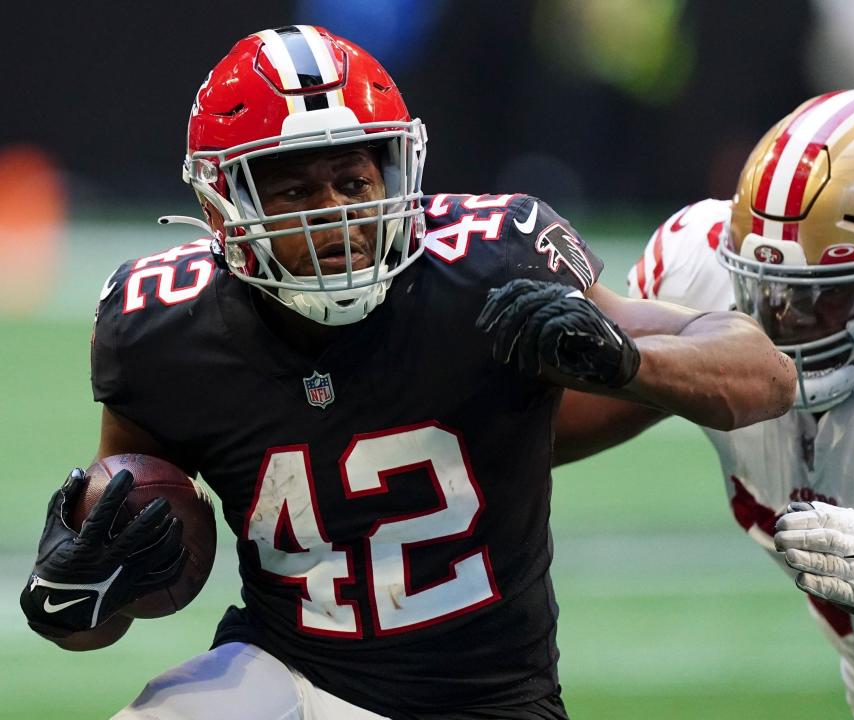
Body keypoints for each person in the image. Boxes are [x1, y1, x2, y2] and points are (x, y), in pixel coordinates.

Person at [18, 25, 794, 720]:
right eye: (293, 192)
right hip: (284, 673)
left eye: (354, 183)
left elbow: (764, 376)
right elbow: (118, 585)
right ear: (223, 209)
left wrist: (629, 361)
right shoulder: (161, 328)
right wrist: (72, 592)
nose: (337, 217)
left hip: (484, 701)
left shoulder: (491, 262)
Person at [562, 90, 854, 720]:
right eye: (766, 289)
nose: (784, 321)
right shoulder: (704, 274)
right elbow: (553, 428)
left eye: (824, 298)